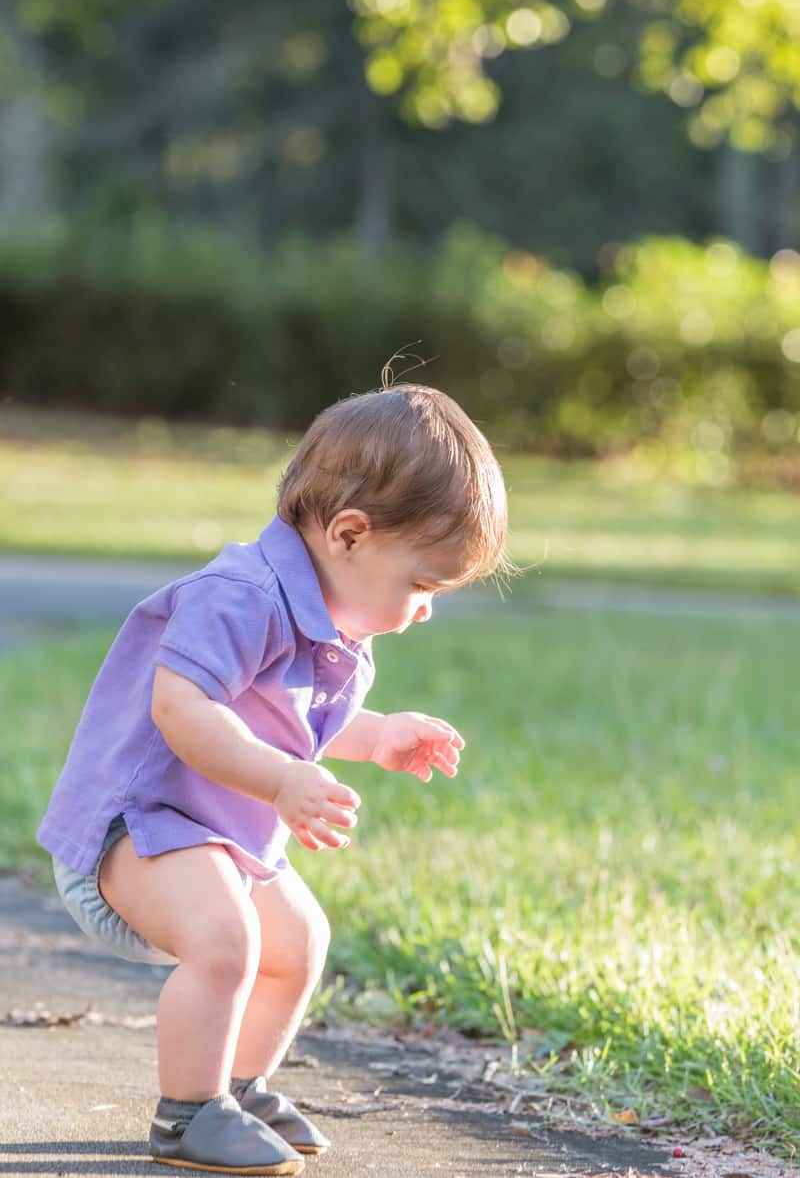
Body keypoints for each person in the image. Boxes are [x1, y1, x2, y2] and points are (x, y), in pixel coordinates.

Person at [37, 381, 510, 1175]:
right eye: (422, 584)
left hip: (208, 837)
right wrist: (286, 781)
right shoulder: (242, 596)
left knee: (299, 941)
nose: (424, 610)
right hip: (127, 831)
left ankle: (236, 1084)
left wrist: (381, 735)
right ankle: (187, 1114)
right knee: (230, 940)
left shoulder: (336, 624)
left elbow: (302, 721)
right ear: (349, 534)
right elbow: (181, 708)